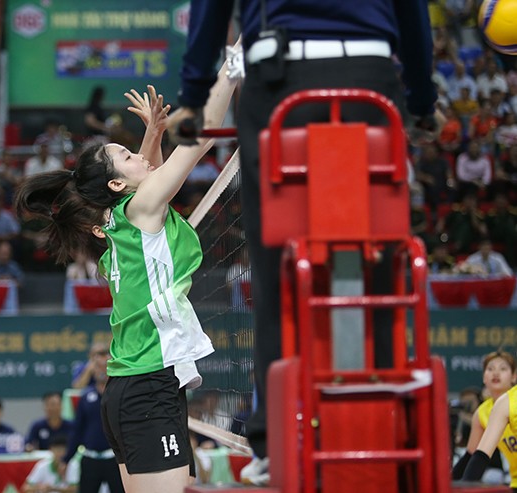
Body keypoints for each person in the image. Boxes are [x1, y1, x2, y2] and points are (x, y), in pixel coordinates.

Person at [169, 0, 438, 467]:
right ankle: (387, 420)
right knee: (380, 260)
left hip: (282, 83)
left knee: (274, 264)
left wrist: (192, 96)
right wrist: (422, 102)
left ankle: (273, 441)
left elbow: (211, 9)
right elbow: (413, 12)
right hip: (370, 79)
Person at [17, 73, 235, 491]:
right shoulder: (140, 211)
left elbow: (146, 178)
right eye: (127, 155)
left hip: (135, 389)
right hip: (148, 387)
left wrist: (152, 135)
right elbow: (203, 135)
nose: (139, 156)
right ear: (117, 185)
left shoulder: (121, 224)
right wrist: (231, 69)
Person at [63, 353, 124, 493]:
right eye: (98, 366)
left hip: (115, 458)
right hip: (90, 457)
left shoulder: (119, 394)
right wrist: (66, 459)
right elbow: (77, 430)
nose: (101, 370)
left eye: (105, 366)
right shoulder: (86, 397)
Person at [453, 351, 516, 486]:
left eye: (503, 369)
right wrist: (448, 482)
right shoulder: (482, 413)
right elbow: (473, 455)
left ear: (513, 376)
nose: (496, 373)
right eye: (490, 369)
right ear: (483, 377)